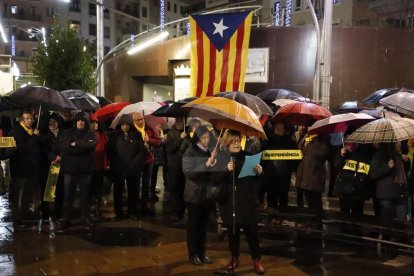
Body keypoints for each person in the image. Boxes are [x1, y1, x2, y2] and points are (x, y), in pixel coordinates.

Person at [212, 130, 265, 274]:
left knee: (252, 234)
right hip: (229, 203)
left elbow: (256, 181)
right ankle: (234, 259)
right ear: (227, 142)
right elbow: (214, 179)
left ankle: (257, 261)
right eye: (233, 141)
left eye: (238, 140)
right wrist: (225, 170)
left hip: (247, 201)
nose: (236, 143)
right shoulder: (222, 158)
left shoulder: (248, 156)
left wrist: (260, 172)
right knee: (233, 234)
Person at [182, 125, 216, 266]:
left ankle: (202, 253)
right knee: (194, 226)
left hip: (206, 194)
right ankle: (193, 254)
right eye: (204, 137)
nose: (206, 140)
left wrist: (214, 160)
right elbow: (189, 173)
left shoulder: (209, 151)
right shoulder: (190, 152)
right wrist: (206, 164)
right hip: (194, 195)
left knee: (204, 226)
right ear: (198, 138)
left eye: (208, 137)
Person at [60, 112, 97, 229]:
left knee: (85, 195)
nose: (80, 122)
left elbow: (92, 146)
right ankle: (66, 218)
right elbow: (66, 149)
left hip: (85, 170)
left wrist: (76, 144)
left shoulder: (91, 134)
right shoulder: (68, 133)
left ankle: (86, 217)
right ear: (75, 122)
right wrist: (82, 147)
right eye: (78, 120)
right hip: (69, 170)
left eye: (83, 121)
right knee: (68, 196)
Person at [106, 122, 145, 219]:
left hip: (133, 168)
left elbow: (141, 151)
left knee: (133, 191)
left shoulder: (137, 135)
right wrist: (116, 163)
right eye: (123, 125)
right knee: (118, 191)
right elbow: (109, 150)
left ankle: (132, 212)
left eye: (127, 124)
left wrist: (134, 162)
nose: (125, 126)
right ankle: (118, 213)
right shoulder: (114, 135)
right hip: (118, 168)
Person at [8, 111, 41, 225]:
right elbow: (19, 149)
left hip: (31, 170)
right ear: (22, 120)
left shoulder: (31, 131)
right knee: (18, 195)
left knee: (28, 194)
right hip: (20, 170)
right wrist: (34, 138)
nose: (30, 121)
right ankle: (17, 218)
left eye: (31, 119)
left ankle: (26, 213)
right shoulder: (16, 132)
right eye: (27, 119)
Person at [370, 142, 411, 222]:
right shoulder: (379, 155)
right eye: (397, 142)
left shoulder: (399, 155)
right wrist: (387, 167)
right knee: (387, 220)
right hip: (386, 193)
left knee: (401, 220)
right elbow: (372, 173)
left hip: (401, 191)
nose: (400, 144)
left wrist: (406, 161)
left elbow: (405, 170)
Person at [261, 122, 297, 209]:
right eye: (277, 125)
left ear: (285, 128)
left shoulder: (290, 141)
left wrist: (290, 169)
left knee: (283, 199)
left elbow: (296, 158)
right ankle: (272, 217)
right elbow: (262, 156)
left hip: (284, 176)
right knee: (271, 199)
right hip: (271, 175)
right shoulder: (268, 140)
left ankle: (281, 217)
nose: (278, 127)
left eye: (280, 125)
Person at [39, 113, 68, 220]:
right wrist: (53, 157)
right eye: (50, 122)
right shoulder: (44, 135)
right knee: (49, 191)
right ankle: (46, 212)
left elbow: (66, 147)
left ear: (59, 123)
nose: (52, 124)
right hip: (49, 165)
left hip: (60, 164)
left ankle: (58, 212)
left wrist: (60, 156)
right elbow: (42, 150)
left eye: (54, 122)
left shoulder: (64, 134)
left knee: (60, 190)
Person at [132, 112, 162, 215]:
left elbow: (158, 142)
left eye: (142, 119)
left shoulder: (149, 128)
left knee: (146, 184)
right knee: (135, 185)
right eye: (138, 120)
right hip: (136, 161)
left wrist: (150, 140)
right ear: (134, 121)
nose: (141, 121)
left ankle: (144, 206)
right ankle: (136, 207)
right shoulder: (133, 130)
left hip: (148, 160)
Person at [334, 143, 373, 215]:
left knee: (357, 215)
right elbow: (336, 167)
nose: (349, 145)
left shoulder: (364, 153)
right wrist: (341, 156)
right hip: (344, 189)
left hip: (358, 190)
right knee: (344, 214)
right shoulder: (343, 152)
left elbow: (367, 170)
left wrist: (361, 179)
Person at [295, 133, 331, 211]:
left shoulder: (323, 138)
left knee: (315, 203)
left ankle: (316, 222)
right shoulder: (305, 136)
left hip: (314, 177)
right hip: (304, 175)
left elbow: (323, 153)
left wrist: (311, 143)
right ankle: (308, 221)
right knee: (306, 202)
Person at [165, 117, 187, 220]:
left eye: (182, 121)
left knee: (183, 188)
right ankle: (175, 211)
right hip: (174, 165)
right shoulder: (171, 133)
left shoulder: (187, 132)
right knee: (174, 189)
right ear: (175, 122)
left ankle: (181, 210)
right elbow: (170, 149)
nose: (180, 123)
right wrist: (180, 139)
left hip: (185, 165)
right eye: (179, 121)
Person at [90, 117, 108, 218]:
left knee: (99, 188)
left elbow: (106, 150)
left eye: (96, 123)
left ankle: (97, 209)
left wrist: (106, 164)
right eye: (92, 123)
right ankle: (90, 209)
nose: (95, 125)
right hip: (90, 167)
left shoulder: (102, 135)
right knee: (90, 188)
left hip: (100, 166)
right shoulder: (87, 135)